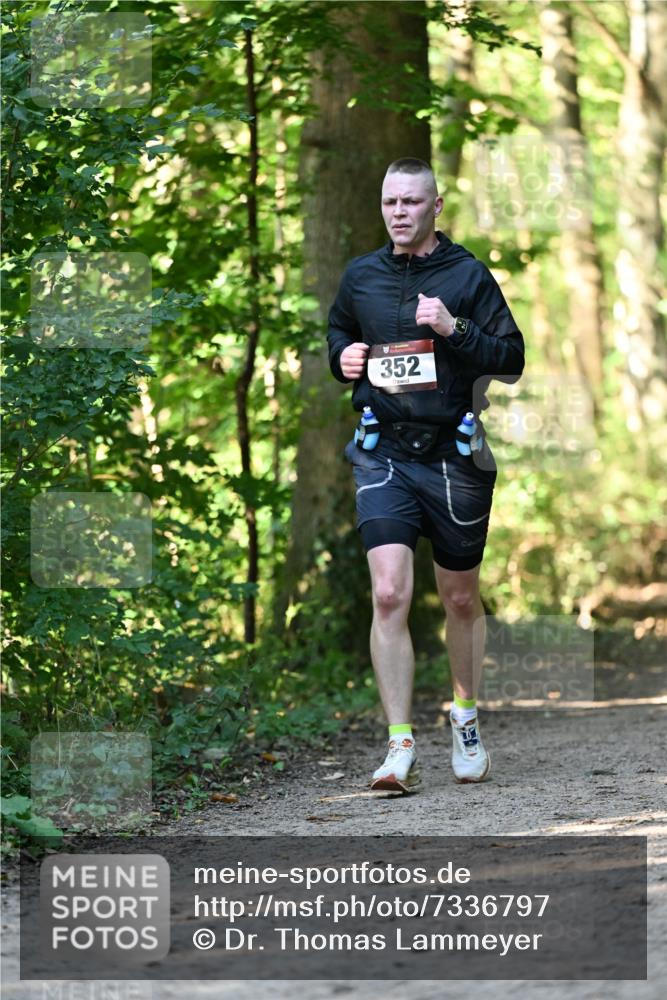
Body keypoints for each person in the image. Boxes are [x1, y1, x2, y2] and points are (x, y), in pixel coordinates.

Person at [327, 157, 525, 793]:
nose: (399, 213)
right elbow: (338, 331)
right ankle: (398, 745)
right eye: (390, 202)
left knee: (460, 596)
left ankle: (465, 718)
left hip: (453, 457)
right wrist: (342, 356)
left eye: (412, 202)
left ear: (436, 206)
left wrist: (453, 327)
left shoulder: (467, 275)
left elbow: (512, 357)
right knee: (389, 592)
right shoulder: (361, 276)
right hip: (383, 452)